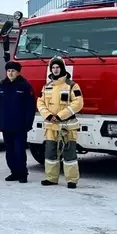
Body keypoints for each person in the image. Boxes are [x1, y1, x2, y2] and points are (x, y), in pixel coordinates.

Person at [37, 57, 84, 189]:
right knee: (50, 153)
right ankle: (51, 178)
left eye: (57, 67)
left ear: (62, 68)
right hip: (51, 126)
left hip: (67, 127)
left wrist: (60, 116)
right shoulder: (47, 86)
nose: (55, 70)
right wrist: (48, 115)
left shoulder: (72, 85)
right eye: (53, 68)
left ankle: (72, 180)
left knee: (70, 154)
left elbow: (78, 103)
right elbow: (40, 102)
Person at [0, 61, 37, 183]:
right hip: (6, 124)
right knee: (10, 151)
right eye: (8, 71)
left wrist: (28, 123)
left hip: (19, 125)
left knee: (19, 150)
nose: (10, 73)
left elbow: (30, 107)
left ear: (18, 72)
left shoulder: (25, 86)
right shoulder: (2, 85)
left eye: (13, 71)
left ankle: (22, 173)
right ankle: (14, 172)